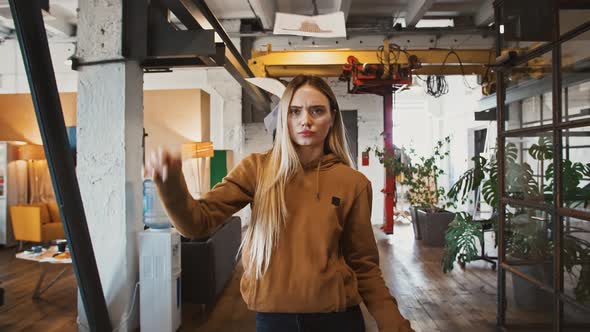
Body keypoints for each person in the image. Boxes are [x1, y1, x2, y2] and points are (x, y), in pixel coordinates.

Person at [145, 75, 413, 332]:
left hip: (337, 320)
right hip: (275, 321)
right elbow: (197, 223)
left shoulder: (353, 183)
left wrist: (393, 322)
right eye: (295, 111)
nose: (305, 120)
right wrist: (171, 187)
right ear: (283, 118)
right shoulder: (256, 170)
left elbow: (364, 265)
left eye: (316, 111)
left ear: (331, 118)